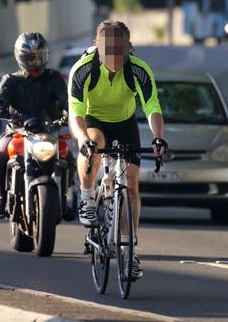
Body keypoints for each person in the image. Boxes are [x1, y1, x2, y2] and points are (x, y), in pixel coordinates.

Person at [68, 20, 168, 278]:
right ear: (98, 49)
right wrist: (82, 140)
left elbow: (152, 106)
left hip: (125, 123)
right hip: (93, 121)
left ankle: (129, 253)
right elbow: (75, 111)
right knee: (95, 144)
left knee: (131, 185)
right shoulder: (83, 69)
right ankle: (87, 195)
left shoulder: (138, 69)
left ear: (128, 48)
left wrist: (158, 138)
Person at [0, 32, 68, 219]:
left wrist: (72, 113)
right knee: (0, 156)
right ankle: (0, 196)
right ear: (20, 58)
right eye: (30, 58)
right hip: (18, 130)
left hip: (49, 130)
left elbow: (67, 101)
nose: (34, 62)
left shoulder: (54, 78)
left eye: (38, 56)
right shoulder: (11, 80)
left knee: (69, 158)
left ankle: (69, 195)